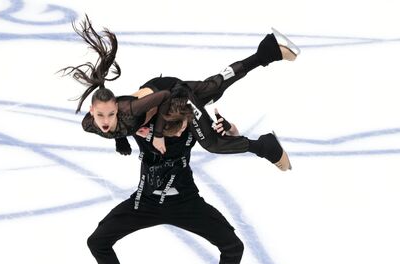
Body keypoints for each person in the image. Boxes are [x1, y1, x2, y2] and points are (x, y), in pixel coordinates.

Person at [87, 108, 258, 264]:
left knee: (233, 247)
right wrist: (118, 137)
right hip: (145, 203)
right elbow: (104, 118)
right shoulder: (143, 127)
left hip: (187, 204)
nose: (180, 134)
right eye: (173, 130)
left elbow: (229, 141)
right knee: (97, 241)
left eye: (183, 128)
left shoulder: (193, 127)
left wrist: (230, 129)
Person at [60, 15, 300, 171]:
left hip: (171, 93)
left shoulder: (130, 110)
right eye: (101, 116)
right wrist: (119, 139)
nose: (105, 121)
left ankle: (264, 147)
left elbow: (165, 97)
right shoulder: (90, 124)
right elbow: (110, 127)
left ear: (116, 111)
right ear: (92, 112)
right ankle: (268, 51)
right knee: (215, 86)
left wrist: (159, 135)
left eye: (110, 115)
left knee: (212, 143)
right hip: (157, 89)